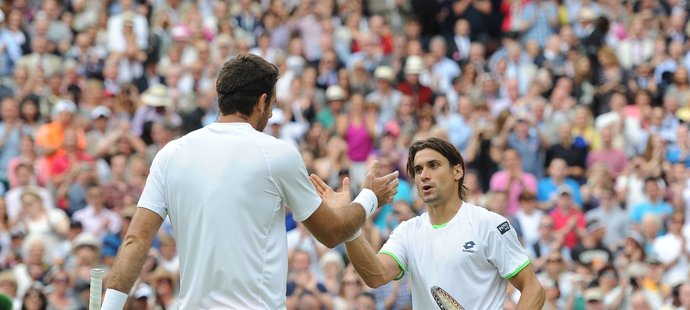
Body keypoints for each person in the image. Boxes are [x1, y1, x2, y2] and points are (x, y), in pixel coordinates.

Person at [101, 54, 399, 309]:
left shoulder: (170, 154)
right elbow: (332, 233)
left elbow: (134, 240)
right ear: (262, 101)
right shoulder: (276, 153)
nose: (270, 114)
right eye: (272, 105)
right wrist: (370, 196)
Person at [311, 137, 545, 309]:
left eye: (433, 165)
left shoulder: (488, 224)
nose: (424, 174)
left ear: (457, 171)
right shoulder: (407, 231)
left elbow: (533, 289)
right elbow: (375, 275)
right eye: (418, 169)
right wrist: (349, 225)